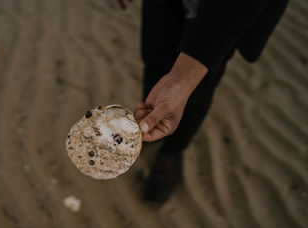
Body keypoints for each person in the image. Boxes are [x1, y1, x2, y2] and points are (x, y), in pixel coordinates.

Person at [119, 0, 289, 203]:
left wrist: (181, 80)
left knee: (198, 90)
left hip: (222, 12)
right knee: (155, 61)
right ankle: (146, 127)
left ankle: (171, 152)